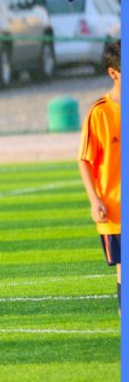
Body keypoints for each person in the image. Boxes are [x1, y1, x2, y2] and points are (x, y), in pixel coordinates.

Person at [78, 39, 121, 315]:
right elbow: (84, 159)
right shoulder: (100, 112)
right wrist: (94, 201)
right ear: (113, 73)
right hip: (116, 209)